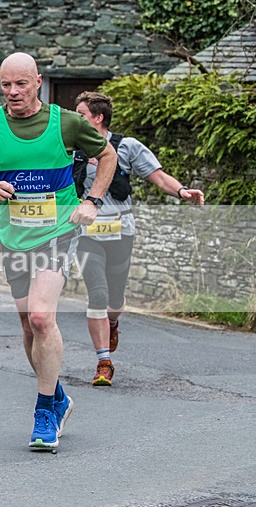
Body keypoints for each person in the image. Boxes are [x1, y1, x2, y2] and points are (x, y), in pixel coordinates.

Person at [0, 52, 118, 451]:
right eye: (5, 84)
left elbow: (108, 156)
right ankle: (59, 396)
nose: (12, 92)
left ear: (37, 82)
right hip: (12, 236)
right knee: (29, 327)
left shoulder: (67, 122)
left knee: (43, 318)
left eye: (20, 84)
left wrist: (91, 201)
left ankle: (45, 410)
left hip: (58, 232)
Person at [73, 91, 205, 386]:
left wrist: (183, 191)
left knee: (115, 300)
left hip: (120, 231)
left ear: (98, 118)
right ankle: (103, 362)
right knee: (97, 292)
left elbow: (158, 177)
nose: (76, 119)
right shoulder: (72, 148)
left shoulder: (127, 146)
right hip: (86, 233)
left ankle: (114, 321)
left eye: (81, 114)